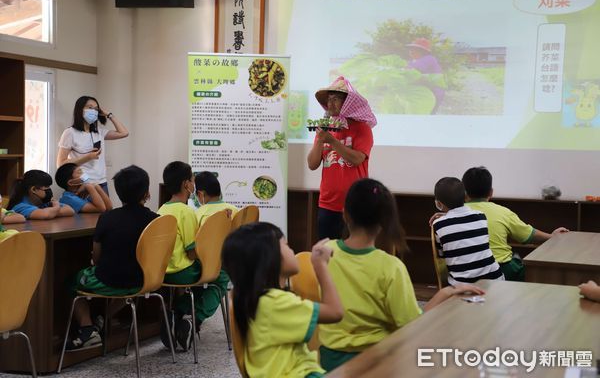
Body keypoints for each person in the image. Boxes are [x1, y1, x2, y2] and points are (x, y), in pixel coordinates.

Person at [319, 178, 484, 371]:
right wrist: (447, 292)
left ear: (345, 214)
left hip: (329, 360)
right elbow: (412, 324)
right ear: (386, 221)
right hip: (378, 360)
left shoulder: (323, 253)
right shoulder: (391, 267)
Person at [222, 222, 344, 378]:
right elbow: (335, 312)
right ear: (270, 258)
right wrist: (321, 266)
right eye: (287, 245)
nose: (292, 250)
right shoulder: (275, 302)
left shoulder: (255, 300)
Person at [64, 165, 157, 350]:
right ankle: (102, 318)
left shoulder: (107, 218)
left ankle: (87, 329)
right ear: (147, 193)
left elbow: (97, 258)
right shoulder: (156, 219)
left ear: (118, 192)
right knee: (128, 287)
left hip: (112, 281)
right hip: (147, 280)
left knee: (72, 282)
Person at [158, 161, 228, 350]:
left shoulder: (161, 210)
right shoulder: (187, 212)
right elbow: (191, 252)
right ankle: (193, 318)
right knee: (220, 277)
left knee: (203, 281)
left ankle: (177, 313)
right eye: (191, 180)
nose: (193, 183)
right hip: (183, 270)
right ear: (186, 184)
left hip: (161, 273)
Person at [461, 166, 568, 281]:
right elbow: (528, 236)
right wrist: (552, 236)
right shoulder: (502, 212)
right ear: (491, 192)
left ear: (464, 193)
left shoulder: (451, 215)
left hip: (465, 273)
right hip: (501, 270)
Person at [307, 76, 376, 240]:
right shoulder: (326, 128)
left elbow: (357, 159)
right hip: (327, 203)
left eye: (336, 99)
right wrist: (320, 139)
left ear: (347, 103)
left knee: (352, 255)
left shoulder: (361, 128)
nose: (330, 104)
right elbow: (312, 163)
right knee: (327, 253)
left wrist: (332, 141)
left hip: (355, 204)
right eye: (329, 99)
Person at [432, 177, 504, 285]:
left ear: (439, 204)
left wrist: (444, 217)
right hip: (495, 279)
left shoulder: (438, 225)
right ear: (466, 197)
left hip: (464, 286)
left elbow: (441, 256)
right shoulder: (481, 216)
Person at [57, 96, 129, 194]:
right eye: (90, 108)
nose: (93, 111)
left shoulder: (99, 132)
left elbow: (124, 133)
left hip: (102, 183)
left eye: (96, 109)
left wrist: (109, 115)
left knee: (106, 209)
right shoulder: (70, 133)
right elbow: (61, 164)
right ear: (80, 109)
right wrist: (87, 157)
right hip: (83, 184)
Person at [8, 170, 75, 219]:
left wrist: (52, 212)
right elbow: (45, 214)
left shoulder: (42, 203)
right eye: (47, 187)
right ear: (34, 189)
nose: (49, 190)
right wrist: (56, 207)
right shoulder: (20, 206)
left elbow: (70, 210)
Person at [406, 37, 445, 112]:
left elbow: (413, 71)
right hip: (422, 91)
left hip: (433, 92)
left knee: (427, 113)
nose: (411, 51)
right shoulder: (412, 61)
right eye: (411, 49)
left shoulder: (429, 59)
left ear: (422, 51)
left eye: (415, 49)